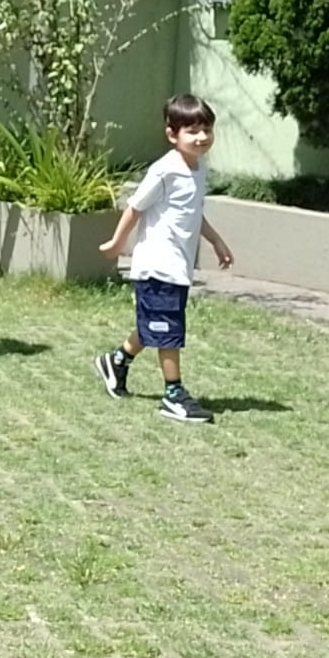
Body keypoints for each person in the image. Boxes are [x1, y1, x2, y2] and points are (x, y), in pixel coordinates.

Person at [95, 94, 233, 424]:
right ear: (172, 134)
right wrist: (117, 243)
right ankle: (173, 394)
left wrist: (216, 241)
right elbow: (135, 207)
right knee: (168, 329)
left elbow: (193, 212)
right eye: (192, 131)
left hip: (178, 267)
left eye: (207, 129)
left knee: (157, 322)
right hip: (159, 266)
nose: (202, 137)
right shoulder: (165, 171)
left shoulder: (198, 168)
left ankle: (116, 361)